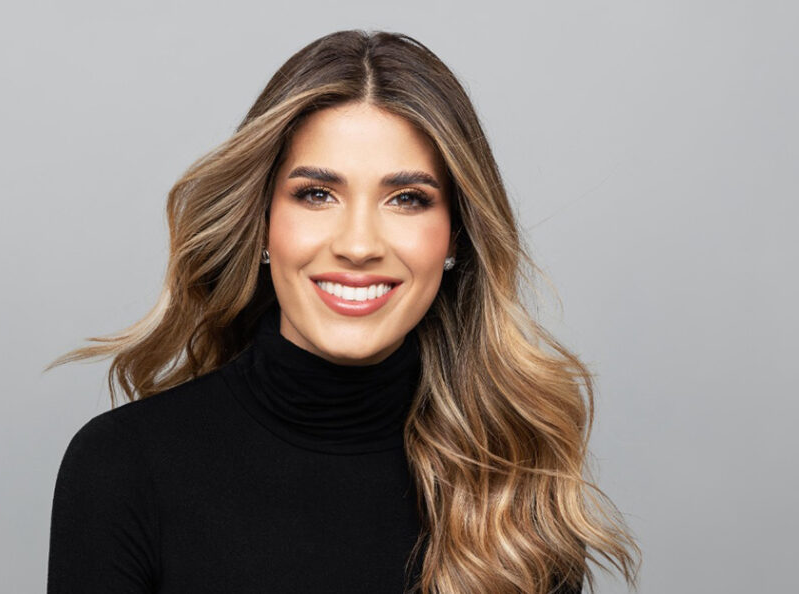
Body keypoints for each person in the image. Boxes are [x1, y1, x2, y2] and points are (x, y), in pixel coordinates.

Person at [45, 30, 640, 594]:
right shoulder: (124, 468)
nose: (358, 245)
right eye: (317, 194)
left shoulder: (515, 489)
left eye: (407, 199)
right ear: (262, 224)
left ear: (455, 237)